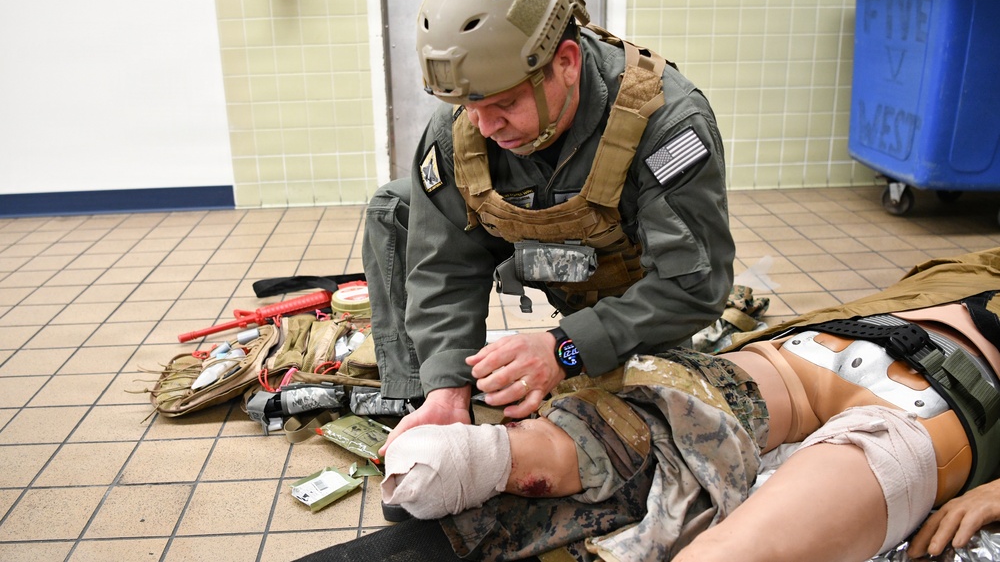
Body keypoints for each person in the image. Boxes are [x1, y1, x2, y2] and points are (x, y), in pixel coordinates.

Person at [297, 248, 1000, 562]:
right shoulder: (970, 261)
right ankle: (471, 462)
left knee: (730, 552)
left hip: (932, 406)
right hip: (812, 353)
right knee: (606, 435)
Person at [361, 0, 734, 452]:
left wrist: (566, 350)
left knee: (646, 434)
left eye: (506, 105)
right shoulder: (463, 125)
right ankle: (421, 402)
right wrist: (448, 384)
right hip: (539, 257)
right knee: (397, 208)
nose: (485, 127)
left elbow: (694, 285)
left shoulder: (666, 126)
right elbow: (443, 267)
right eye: (469, 108)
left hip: (632, 290)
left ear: (566, 62)